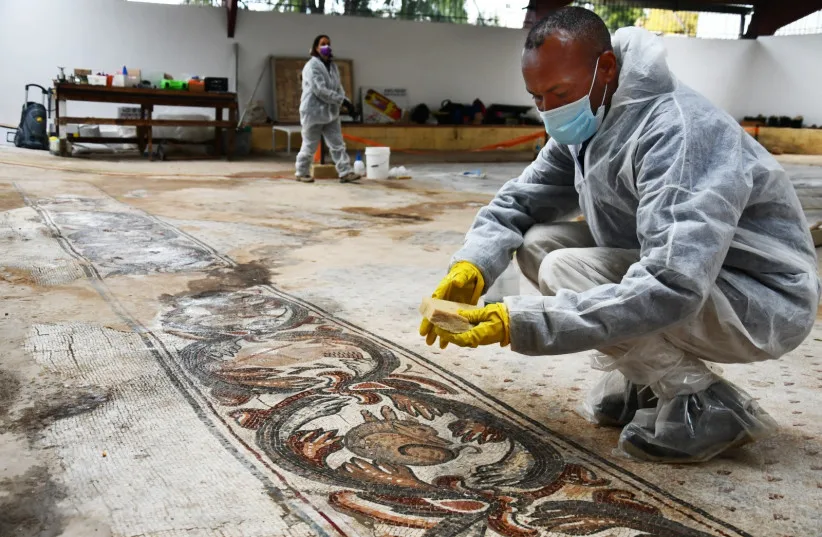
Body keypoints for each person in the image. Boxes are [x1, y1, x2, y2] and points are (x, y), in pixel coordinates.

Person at [419, 7, 821, 463]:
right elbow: (520, 201)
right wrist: (473, 263)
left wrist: (524, 322)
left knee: (564, 266)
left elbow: (673, 283)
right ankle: (644, 381)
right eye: (537, 98)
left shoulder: (679, 130)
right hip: (696, 275)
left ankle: (705, 404)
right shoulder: (591, 115)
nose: (550, 111)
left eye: (559, 93)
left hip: (757, 296)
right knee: (538, 243)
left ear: (605, 67)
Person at [295, 35, 360, 184]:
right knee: (310, 145)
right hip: (313, 112)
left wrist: (347, 103)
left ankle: (345, 172)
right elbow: (320, 90)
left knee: (337, 144)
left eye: (329, 44)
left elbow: (338, 88)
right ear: (316, 48)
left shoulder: (333, 67)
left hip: (330, 113)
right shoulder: (312, 66)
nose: (327, 47)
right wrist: (341, 101)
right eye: (323, 44)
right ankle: (301, 172)